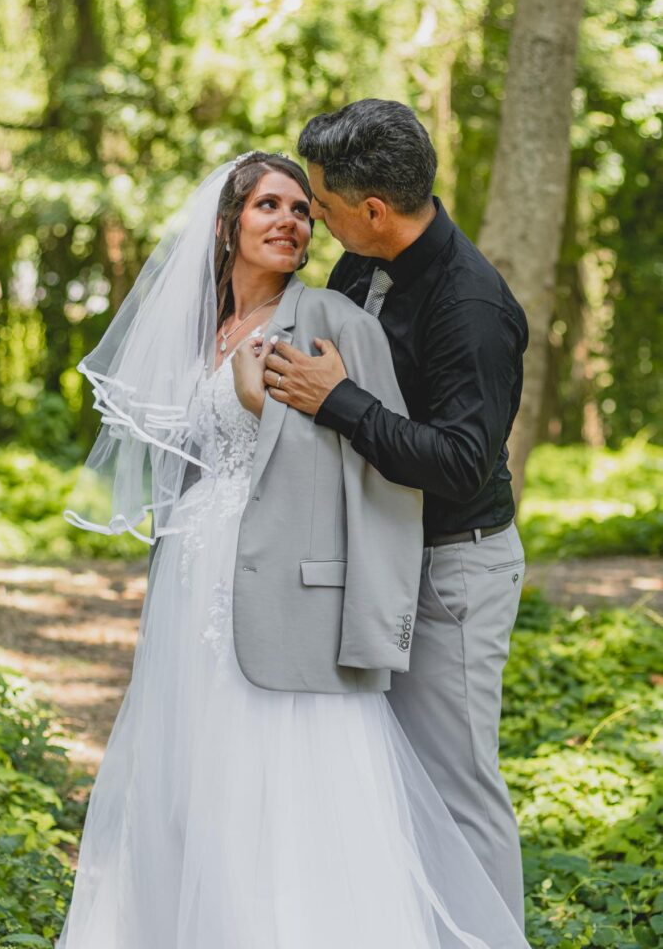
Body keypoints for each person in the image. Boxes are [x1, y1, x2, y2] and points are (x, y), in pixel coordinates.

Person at [58, 152, 529, 949]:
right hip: (192, 582)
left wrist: (267, 409)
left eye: (301, 210)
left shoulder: (336, 321)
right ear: (226, 226)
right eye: (268, 206)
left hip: (294, 591)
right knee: (186, 773)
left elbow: (377, 479)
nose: (291, 221)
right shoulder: (203, 328)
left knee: (290, 784)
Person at [262, 100, 529, 926]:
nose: (313, 217)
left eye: (321, 204)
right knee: (378, 775)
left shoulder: (471, 308)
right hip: (373, 557)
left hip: (451, 570)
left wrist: (337, 400)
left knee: (455, 785)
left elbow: (458, 462)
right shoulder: (354, 269)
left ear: (372, 210)